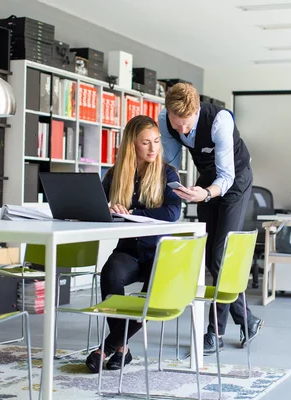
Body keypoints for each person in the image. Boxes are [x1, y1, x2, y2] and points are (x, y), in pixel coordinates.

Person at [159, 83, 263, 355]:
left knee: (221, 255)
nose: (181, 130)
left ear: (196, 111)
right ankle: (247, 319)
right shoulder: (165, 120)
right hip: (206, 179)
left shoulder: (220, 121)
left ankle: (214, 332)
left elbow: (226, 176)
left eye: (187, 124)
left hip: (235, 180)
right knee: (209, 257)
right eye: (175, 122)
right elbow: (169, 161)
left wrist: (205, 194)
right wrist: (175, 186)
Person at [85, 115, 181, 373]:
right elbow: (97, 208)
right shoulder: (116, 174)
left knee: (151, 298)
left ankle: (105, 348)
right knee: (110, 274)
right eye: (146, 143)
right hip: (127, 252)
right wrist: (111, 209)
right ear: (132, 145)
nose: (153, 148)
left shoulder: (167, 173)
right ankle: (122, 350)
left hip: (158, 254)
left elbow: (173, 212)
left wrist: (134, 213)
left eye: (157, 142)